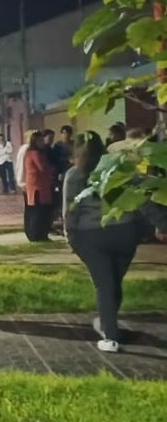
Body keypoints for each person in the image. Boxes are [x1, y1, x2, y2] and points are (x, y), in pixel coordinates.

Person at [64, 131, 167, 353]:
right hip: (124, 232)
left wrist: (70, 238)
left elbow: (70, 211)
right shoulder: (121, 170)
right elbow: (143, 201)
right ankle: (108, 323)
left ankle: (109, 335)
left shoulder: (74, 175)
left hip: (90, 236)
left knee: (104, 283)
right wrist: (161, 224)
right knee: (113, 281)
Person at [23, 131, 56, 242]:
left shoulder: (34, 153)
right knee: (38, 213)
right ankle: (37, 235)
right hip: (38, 187)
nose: (43, 143)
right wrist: (53, 169)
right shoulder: (35, 153)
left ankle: (39, 234)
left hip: (41, 186)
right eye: (40, 141)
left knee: (40, 212)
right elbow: (43, 168)